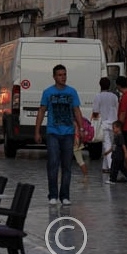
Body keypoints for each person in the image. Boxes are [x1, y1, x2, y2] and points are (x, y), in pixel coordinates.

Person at [34, 63, 84, 206]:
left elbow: (76, 111)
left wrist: (81, 129)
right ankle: (53, 194)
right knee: (53, 164)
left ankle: (65, 195)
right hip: (53, 133)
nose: (63, 77)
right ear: (54, 77)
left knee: (67, 166)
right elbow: (42, 111)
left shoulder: (72, 92)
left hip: (68, 133)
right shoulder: (48, 92)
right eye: (60, 75)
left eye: (64, 74)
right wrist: (37, 131)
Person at [91, 76, 119, 175]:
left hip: (103, 123)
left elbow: (95, 111)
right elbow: (117, 109)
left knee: (107, 145)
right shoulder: (114, 96)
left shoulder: (98, 96)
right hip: (114, 123)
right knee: (110, 144)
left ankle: (112, 167)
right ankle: (105, 166)